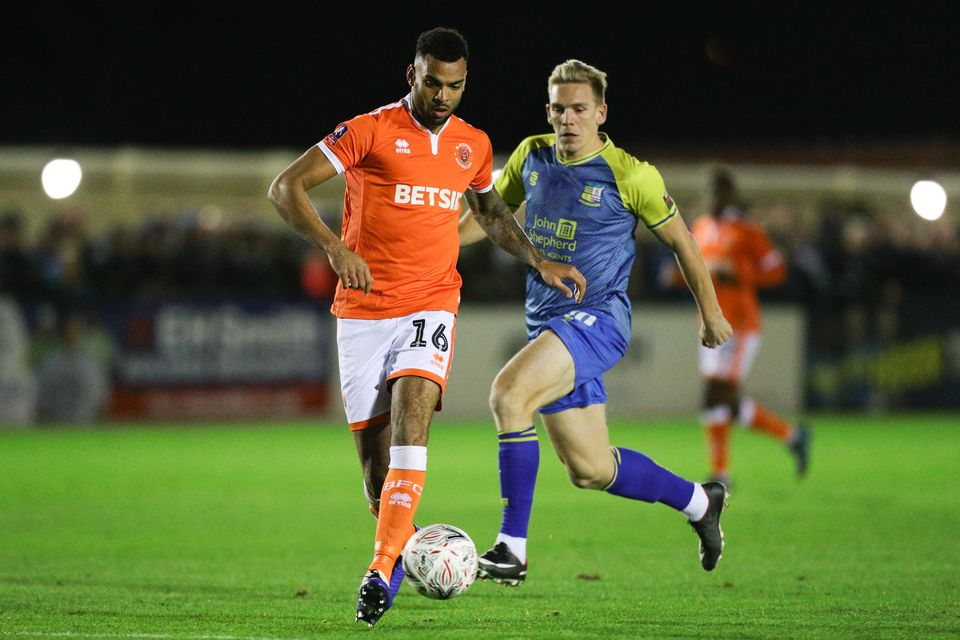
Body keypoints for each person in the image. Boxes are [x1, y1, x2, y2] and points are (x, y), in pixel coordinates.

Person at [267, 28, 585, 627]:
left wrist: (540, 259)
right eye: (434, 83)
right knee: (375, 476)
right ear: (411, 75)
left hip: (431, 303)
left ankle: (379, 566)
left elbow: (490, 212)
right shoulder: (368, 130)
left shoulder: (473, 145)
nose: (444, 96)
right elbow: (285, 187)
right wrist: (333, 247)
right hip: (362, 312)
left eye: (456, 86)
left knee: (416, 406)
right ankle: (399, 548)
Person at [458, 59, 734, 586]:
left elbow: (683, 242)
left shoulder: (632, 175)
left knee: (508, 394)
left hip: (599, 318)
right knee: (590, 470)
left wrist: (711, 312)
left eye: (579, 109)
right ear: (548, 110)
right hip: (549, 326)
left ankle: (511, 548)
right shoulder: (530, 156)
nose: (568, 119)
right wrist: (436, 246)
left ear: (600, 113)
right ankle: (701, 503)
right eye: (559, 108)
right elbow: (490, 219)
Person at [681, 167, 811, 486]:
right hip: (709, 322)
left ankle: (721, 474)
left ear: (728, 195)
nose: (709, 199)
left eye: (716, 192)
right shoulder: (700, 227)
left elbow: (777, 270)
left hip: (738, 324)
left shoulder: (747, 231)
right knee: (724, 399)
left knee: (716, 394)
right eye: (707, 193)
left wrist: (739, 273)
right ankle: (792, 437)